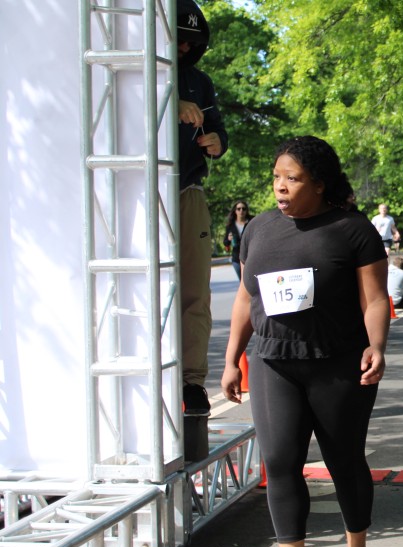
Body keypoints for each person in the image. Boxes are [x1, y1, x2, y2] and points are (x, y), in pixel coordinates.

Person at [221, 135, 389, 547]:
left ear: (318, 183)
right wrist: (232, 359)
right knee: (278, 461)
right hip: (273, 362)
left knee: (343, 459)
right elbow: (245, 298)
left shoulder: (352, 229)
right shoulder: (258, 230)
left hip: (338, 363)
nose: (281, 186)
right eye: (277, 177)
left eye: (292, 179)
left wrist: (377, 346)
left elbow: (375, 298)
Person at [177, 0, 228, 418]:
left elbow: (219, 131)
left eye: (191, 43)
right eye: (177, 39)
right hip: (135, 191)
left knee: (196, 290)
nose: (183, 48)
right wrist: (169, 104)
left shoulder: (200, 81)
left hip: (188, 193)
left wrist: (216, 143)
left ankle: (191, 382)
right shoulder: (136, 72)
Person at [223, 201, 250, 281]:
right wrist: (228, 239)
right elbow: (225, 243)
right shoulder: (230, 226)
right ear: (235, 211)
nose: (241, 211)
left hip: (250, 257)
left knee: (249, 281)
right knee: (242, 281)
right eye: (239, 209)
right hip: (236, 258)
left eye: (243, 209)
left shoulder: (251, 222)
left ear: (246, 210)